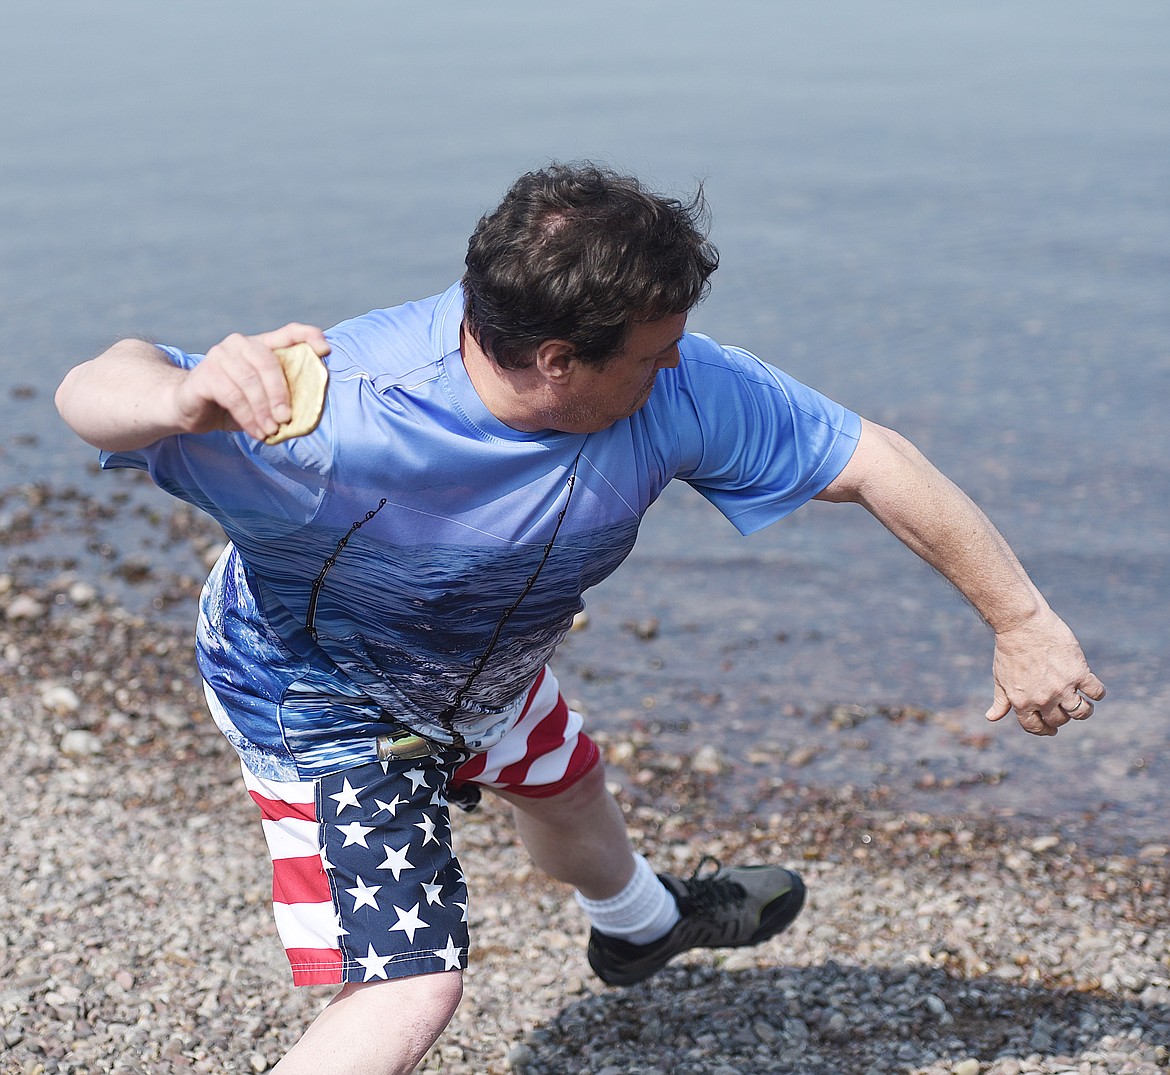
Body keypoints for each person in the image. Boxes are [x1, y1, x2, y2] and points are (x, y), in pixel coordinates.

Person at [56, 162, 1105, 1075]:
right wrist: (175, 394)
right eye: (652, 354)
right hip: (321, 708)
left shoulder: (675, 382)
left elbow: (872, 458)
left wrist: (1023, 619)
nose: (676, 370)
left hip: (484, 670)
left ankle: (640, 929)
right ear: (559, 359)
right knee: (410, 991)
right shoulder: (327, 419)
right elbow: (92, 386)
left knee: (567, 786)